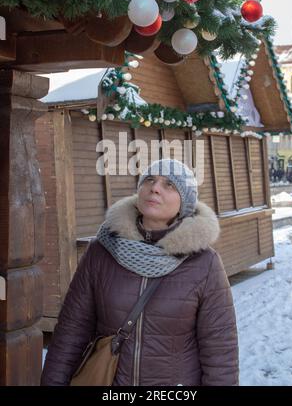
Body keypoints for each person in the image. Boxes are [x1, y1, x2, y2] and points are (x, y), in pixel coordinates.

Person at [41, 159, 239, 386]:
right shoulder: (102, 251)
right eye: (150, 180)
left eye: (169, 185)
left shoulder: (204, 263)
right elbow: (71, 331)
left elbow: (220, 350)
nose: (155, 188)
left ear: (184, 202)